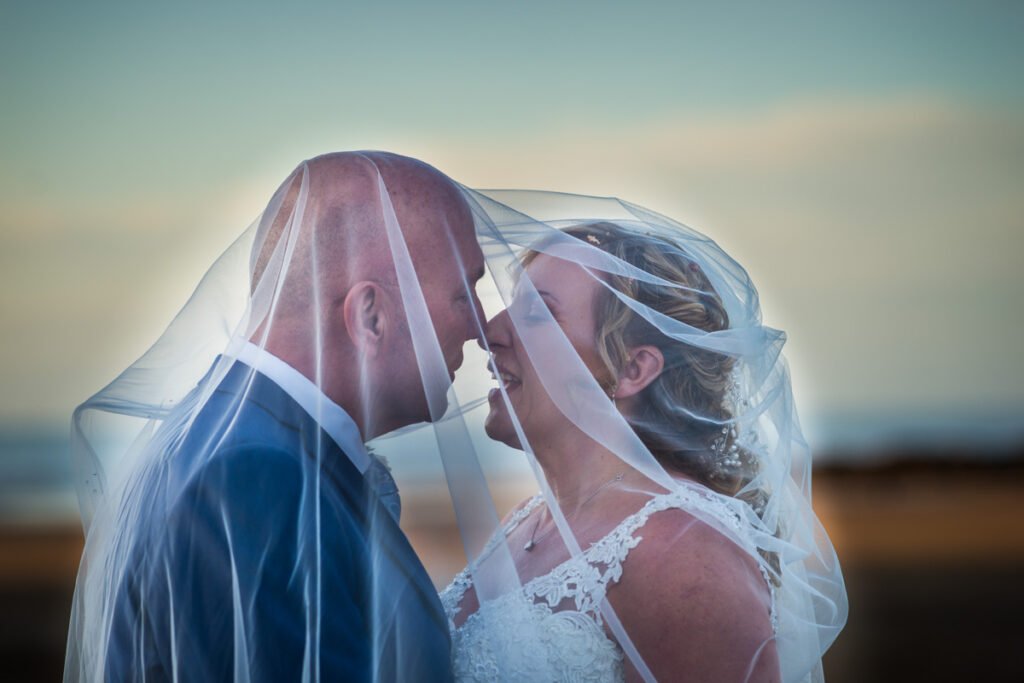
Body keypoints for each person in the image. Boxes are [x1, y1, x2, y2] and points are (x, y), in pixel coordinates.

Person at [65, 152, 486, 682]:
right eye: (463, 292)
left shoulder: (240, 441)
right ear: (370, 316)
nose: (482, 325)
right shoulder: (251, 478)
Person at [437, 210, 847, 682]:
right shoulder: (527, 521)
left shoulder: (687, 551)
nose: (490, 332)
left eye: (538, 313)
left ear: (632, 369)